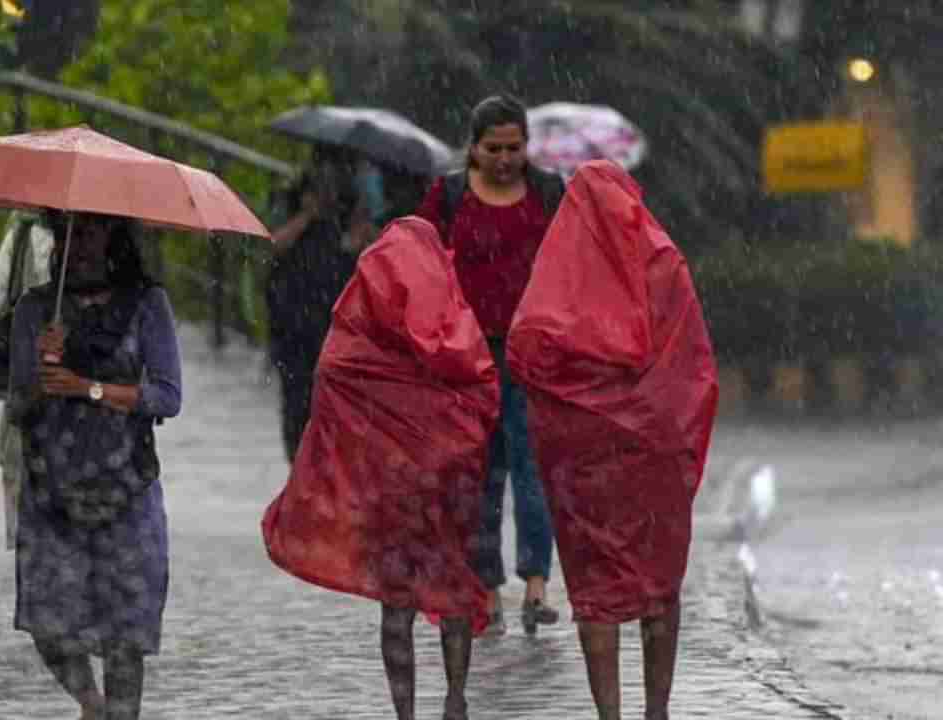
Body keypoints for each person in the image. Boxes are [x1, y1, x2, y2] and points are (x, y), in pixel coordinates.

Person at [507, 161, 719, 720]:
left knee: (596, 589)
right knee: (658, 583)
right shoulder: (664, 263)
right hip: (653, 455)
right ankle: (658, 710)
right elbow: (693, 368)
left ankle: (610, 713)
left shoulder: (557, 276)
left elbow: (526, 355)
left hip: (582, 462)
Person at [264, 217, 499, 720]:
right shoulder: (449, 314)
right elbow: (482, 388)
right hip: (444, 483)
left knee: (397, 604)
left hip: (387, 485)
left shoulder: (362, 322)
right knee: (453, 584)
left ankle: (405, 712)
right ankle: (456, 697)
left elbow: (331, 377)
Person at [7, 210, 182, 720]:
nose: (79, 244)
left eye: (91, 231)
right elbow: (18, 405)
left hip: (127, 489)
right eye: (68, 232)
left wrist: (89, 388)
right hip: (52, 492)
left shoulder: (148, 305)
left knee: (126, 638)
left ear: (114, 237)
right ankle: (91, 703)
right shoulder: (35, 309)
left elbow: (167, 397)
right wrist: (43, 374)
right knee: (48, 625)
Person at [415, 94, 564, 636]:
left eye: (515, 148)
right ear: (472, 148)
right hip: (469, 356)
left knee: (534, 469)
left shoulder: (548, 193)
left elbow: (572, 259)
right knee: (481, 475)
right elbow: (420, 255)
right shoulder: (450, 195)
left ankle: (536, 584)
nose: (505, 158)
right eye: (494, 148)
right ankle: (486, 586)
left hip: (532, 354)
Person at [265, 146, 377, 462]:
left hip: (335, 320)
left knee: (335, 405)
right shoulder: (290, 196)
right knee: (296, 402)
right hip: (294, 321)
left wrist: (356, 236)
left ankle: (324, 470)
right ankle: (300, 466)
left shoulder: (352, 201)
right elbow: (271, 245)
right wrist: (305, 215)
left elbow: (363, 252)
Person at [0, 212, 55, 550]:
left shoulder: (22, 234)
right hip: (94, 424)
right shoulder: (112, 236)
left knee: (28, 540)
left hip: (26, 404)